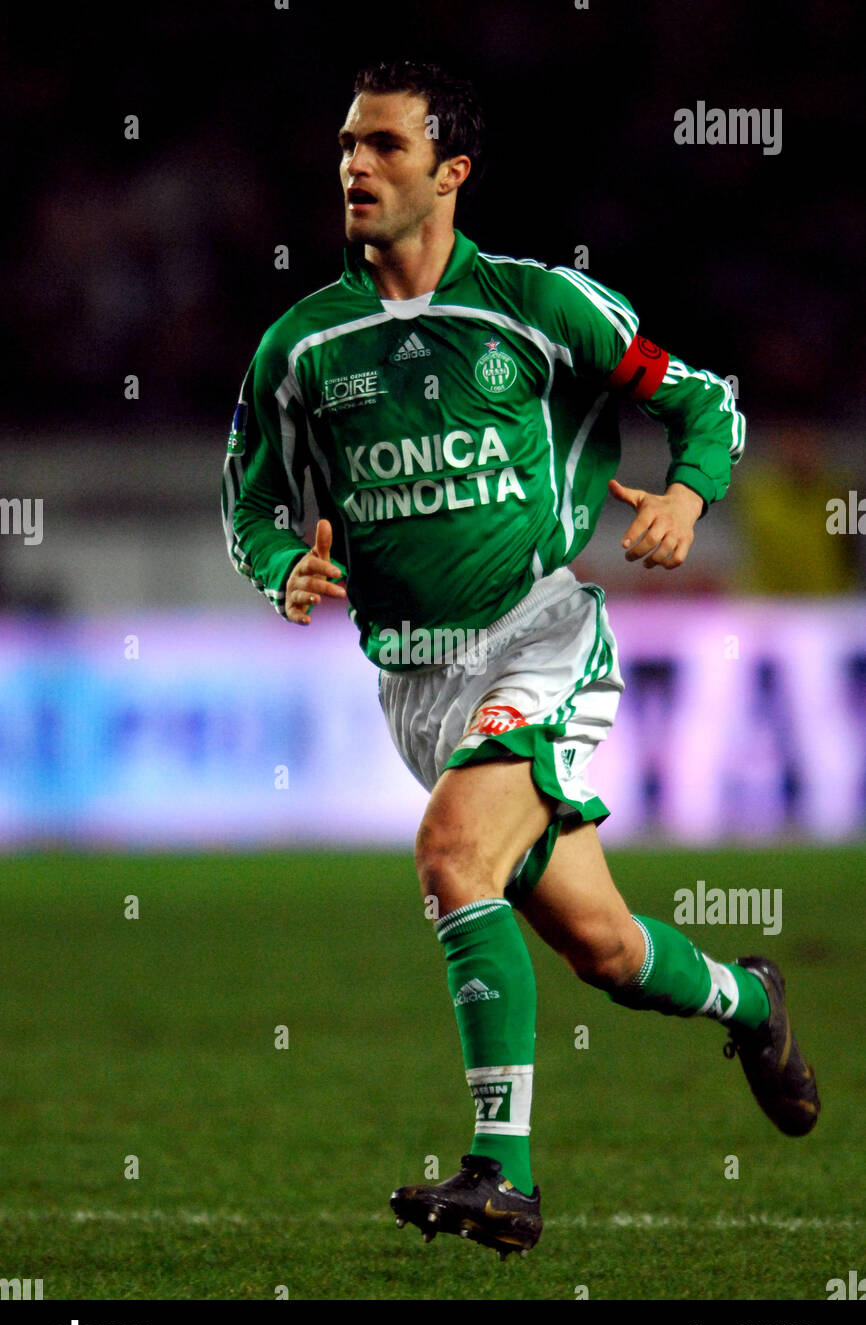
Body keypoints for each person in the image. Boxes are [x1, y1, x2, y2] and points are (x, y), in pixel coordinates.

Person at [222, 59, 820, 1261]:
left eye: (384, 146)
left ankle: (505, 1173)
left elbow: (703, 401)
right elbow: (248, 506)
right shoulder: (299, 349)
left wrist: (690, 499)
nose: (353, 165)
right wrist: (282, 563)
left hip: (541, 635)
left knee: (450, 853)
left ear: (449, 171)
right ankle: (748, 1001)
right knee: (601, 947)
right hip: (415, 682)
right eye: (346, 143)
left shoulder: (539, 307)